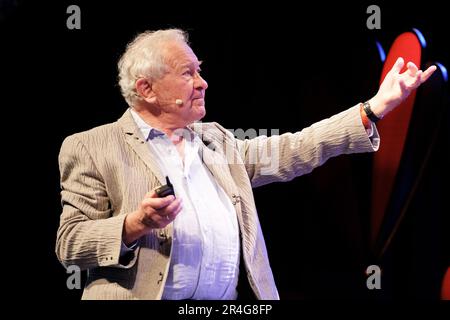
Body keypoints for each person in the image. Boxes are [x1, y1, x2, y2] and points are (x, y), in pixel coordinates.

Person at [55, 29, 436, 300]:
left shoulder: (216, 141)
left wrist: (374, 108)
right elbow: (70, 242)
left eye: (199, 70)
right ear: (146, 89)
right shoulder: (92, 146)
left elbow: (296, 148)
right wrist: (135, 224)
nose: (202, 83)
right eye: (188, 73)